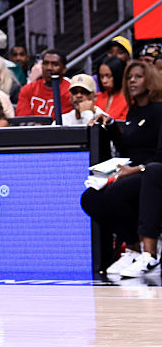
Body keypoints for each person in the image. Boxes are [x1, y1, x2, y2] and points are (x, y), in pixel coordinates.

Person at [81, 60, 162, 277]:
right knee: (91, 198)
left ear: (151, 80)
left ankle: (151, 254)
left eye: (138, 76)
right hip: (135, 172)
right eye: (129, 77)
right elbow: (127, 148)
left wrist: (135, 170)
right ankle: (134, 249)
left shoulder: (160, 109)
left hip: (154, 172)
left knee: (122, 188)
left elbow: (160, 154)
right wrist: (110, 126)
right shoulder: (134, 112)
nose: (132, 81)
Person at [16, 49, 72, 118]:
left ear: (64, 69)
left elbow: (66, 120)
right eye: (45, 63)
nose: (49, 68)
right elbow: (23, 119)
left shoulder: (71, 91)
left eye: (55, 64)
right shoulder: (28, 89)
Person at [96, 56, 129, 122]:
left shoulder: (129, 99)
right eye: (101, 77)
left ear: (118, 75)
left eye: (108, 76)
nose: (104, 81)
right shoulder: (97, 97)